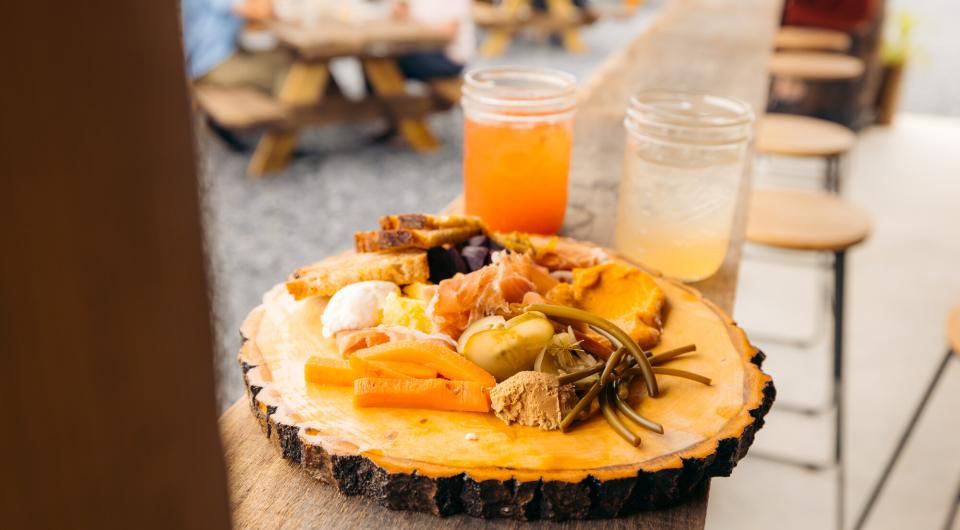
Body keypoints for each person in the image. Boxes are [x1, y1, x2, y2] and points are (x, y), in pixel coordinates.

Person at [180, 0, 290, 95]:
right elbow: (260, 9)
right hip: (210, 65)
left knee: (280, 57)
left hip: (205, 60)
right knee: (284, 67)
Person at [391, 0, 475, 81]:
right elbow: (403, 14)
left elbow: (448, 33)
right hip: (425, 52)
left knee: (394, 63)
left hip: (450, 59)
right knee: (391, 59)